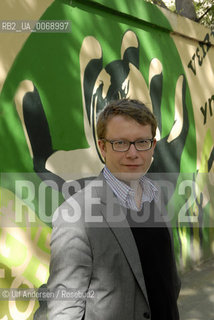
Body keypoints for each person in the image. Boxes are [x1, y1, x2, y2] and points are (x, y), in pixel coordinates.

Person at [46, 98, 181, 319]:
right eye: (120, 143)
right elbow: (64, 309)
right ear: (102, 147)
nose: (133, 153)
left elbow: (167, 279)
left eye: (141, 142)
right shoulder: (77, 215)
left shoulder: (155, 194)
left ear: (152, 145)